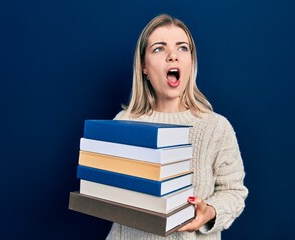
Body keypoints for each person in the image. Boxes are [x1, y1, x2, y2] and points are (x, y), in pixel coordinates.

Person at [106, 14, 248, 240]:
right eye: (159, 49)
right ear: (144, 66)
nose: (173, 56)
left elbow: (234, 192)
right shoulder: (122, 123)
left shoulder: (216, 128)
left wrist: (209, 212)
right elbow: (107, 194)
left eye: (182, 48)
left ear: (191, 62)